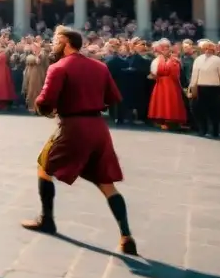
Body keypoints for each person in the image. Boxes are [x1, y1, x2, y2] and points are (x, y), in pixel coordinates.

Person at [23, 27, 137, 256]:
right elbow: (112, 98)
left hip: (72, 127)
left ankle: (47, 220)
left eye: (56, 40)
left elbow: (45, 102)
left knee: (44, 167)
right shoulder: (100, 66)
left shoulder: (59, 67)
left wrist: (42, 106)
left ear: (65, 42)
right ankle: (126, 236)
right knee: (106, 184)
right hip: (98, 129)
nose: (52, 43)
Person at [188, 39, 220, 138]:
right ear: (202, 49)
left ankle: (215, 131)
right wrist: (192, 87)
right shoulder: (198, 59)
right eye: (206, 49)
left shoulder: (218, 60)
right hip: (200, 87)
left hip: (214, 88)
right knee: (198, 109)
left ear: (213, 50)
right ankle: (202, 129)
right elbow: (194, 74)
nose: (208, 51)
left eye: (210, 49)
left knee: (214, 111)